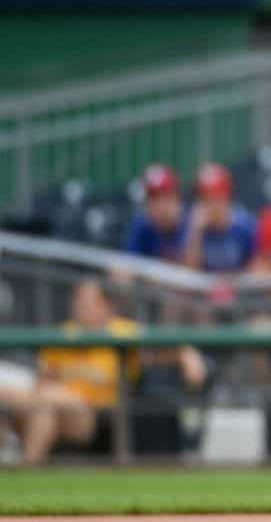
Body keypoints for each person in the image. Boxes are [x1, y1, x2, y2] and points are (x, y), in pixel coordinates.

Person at [0, 279, 136, 464]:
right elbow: (44, 379)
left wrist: (186, 356)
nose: (82, 306)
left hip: (94, 415)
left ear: (107, 306)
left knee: (42, 400)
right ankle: (28, 468)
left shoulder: (122, 330)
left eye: (90, 301)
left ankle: (18, 458)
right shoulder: (63, 333)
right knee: (45, 410)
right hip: (50, 406)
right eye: (78, 300)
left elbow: (160, 350)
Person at [181, 163, 257, 273]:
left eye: (218, 199)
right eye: (207, 200)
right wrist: (196, 233)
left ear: (228, 199)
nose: (213, 206)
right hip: (204, 289)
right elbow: (188, 272)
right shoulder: (193, 224)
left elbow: (257, 269)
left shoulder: (245, 226)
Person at [124, 164, 186, 262]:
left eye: (166, 197)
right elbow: (128, 262)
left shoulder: (190, 224)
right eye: (154, 199)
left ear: (177, 198)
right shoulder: (142, 224)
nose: (161, 206)